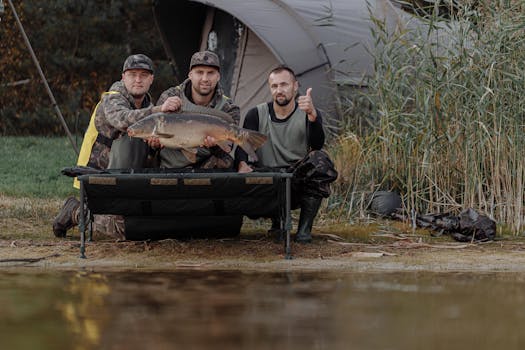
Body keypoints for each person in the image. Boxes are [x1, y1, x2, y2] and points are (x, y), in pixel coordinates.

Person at [53, 53, 180, 239]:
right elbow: (122, 120)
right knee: (121, 228)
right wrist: (159, 110)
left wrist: (154, 146)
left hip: (128, 180)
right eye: (132, 74)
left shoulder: (148, 105)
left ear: (151, 79)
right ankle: (75, 211)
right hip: (98, 176)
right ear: (123, 77)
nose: (138, 80)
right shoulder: (112, 98)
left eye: (143, 75)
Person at [235, 66, 337, 243]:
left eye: (284, 85)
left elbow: (317, 145)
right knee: (241, 170)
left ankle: (304, 229)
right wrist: (242, 164)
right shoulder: (256, 114)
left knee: (320, 160)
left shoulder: (307, 112)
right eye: (274, 86)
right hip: (268, 179)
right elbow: (242, 147)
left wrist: (313, 116)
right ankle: (278, 221)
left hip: (296, 179)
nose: (279, 90)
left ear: (295, 86)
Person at [156, 50, 240, 169]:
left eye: (210, 73)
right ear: (190, 75)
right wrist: (153, 143)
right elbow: (155, 137)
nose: (205, 79)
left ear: (218, 76)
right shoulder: (170, 96)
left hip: (208, 166)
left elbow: (228, 148)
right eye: (199, 72)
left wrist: (214, 145)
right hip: (170, 166)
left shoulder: (228, 108)